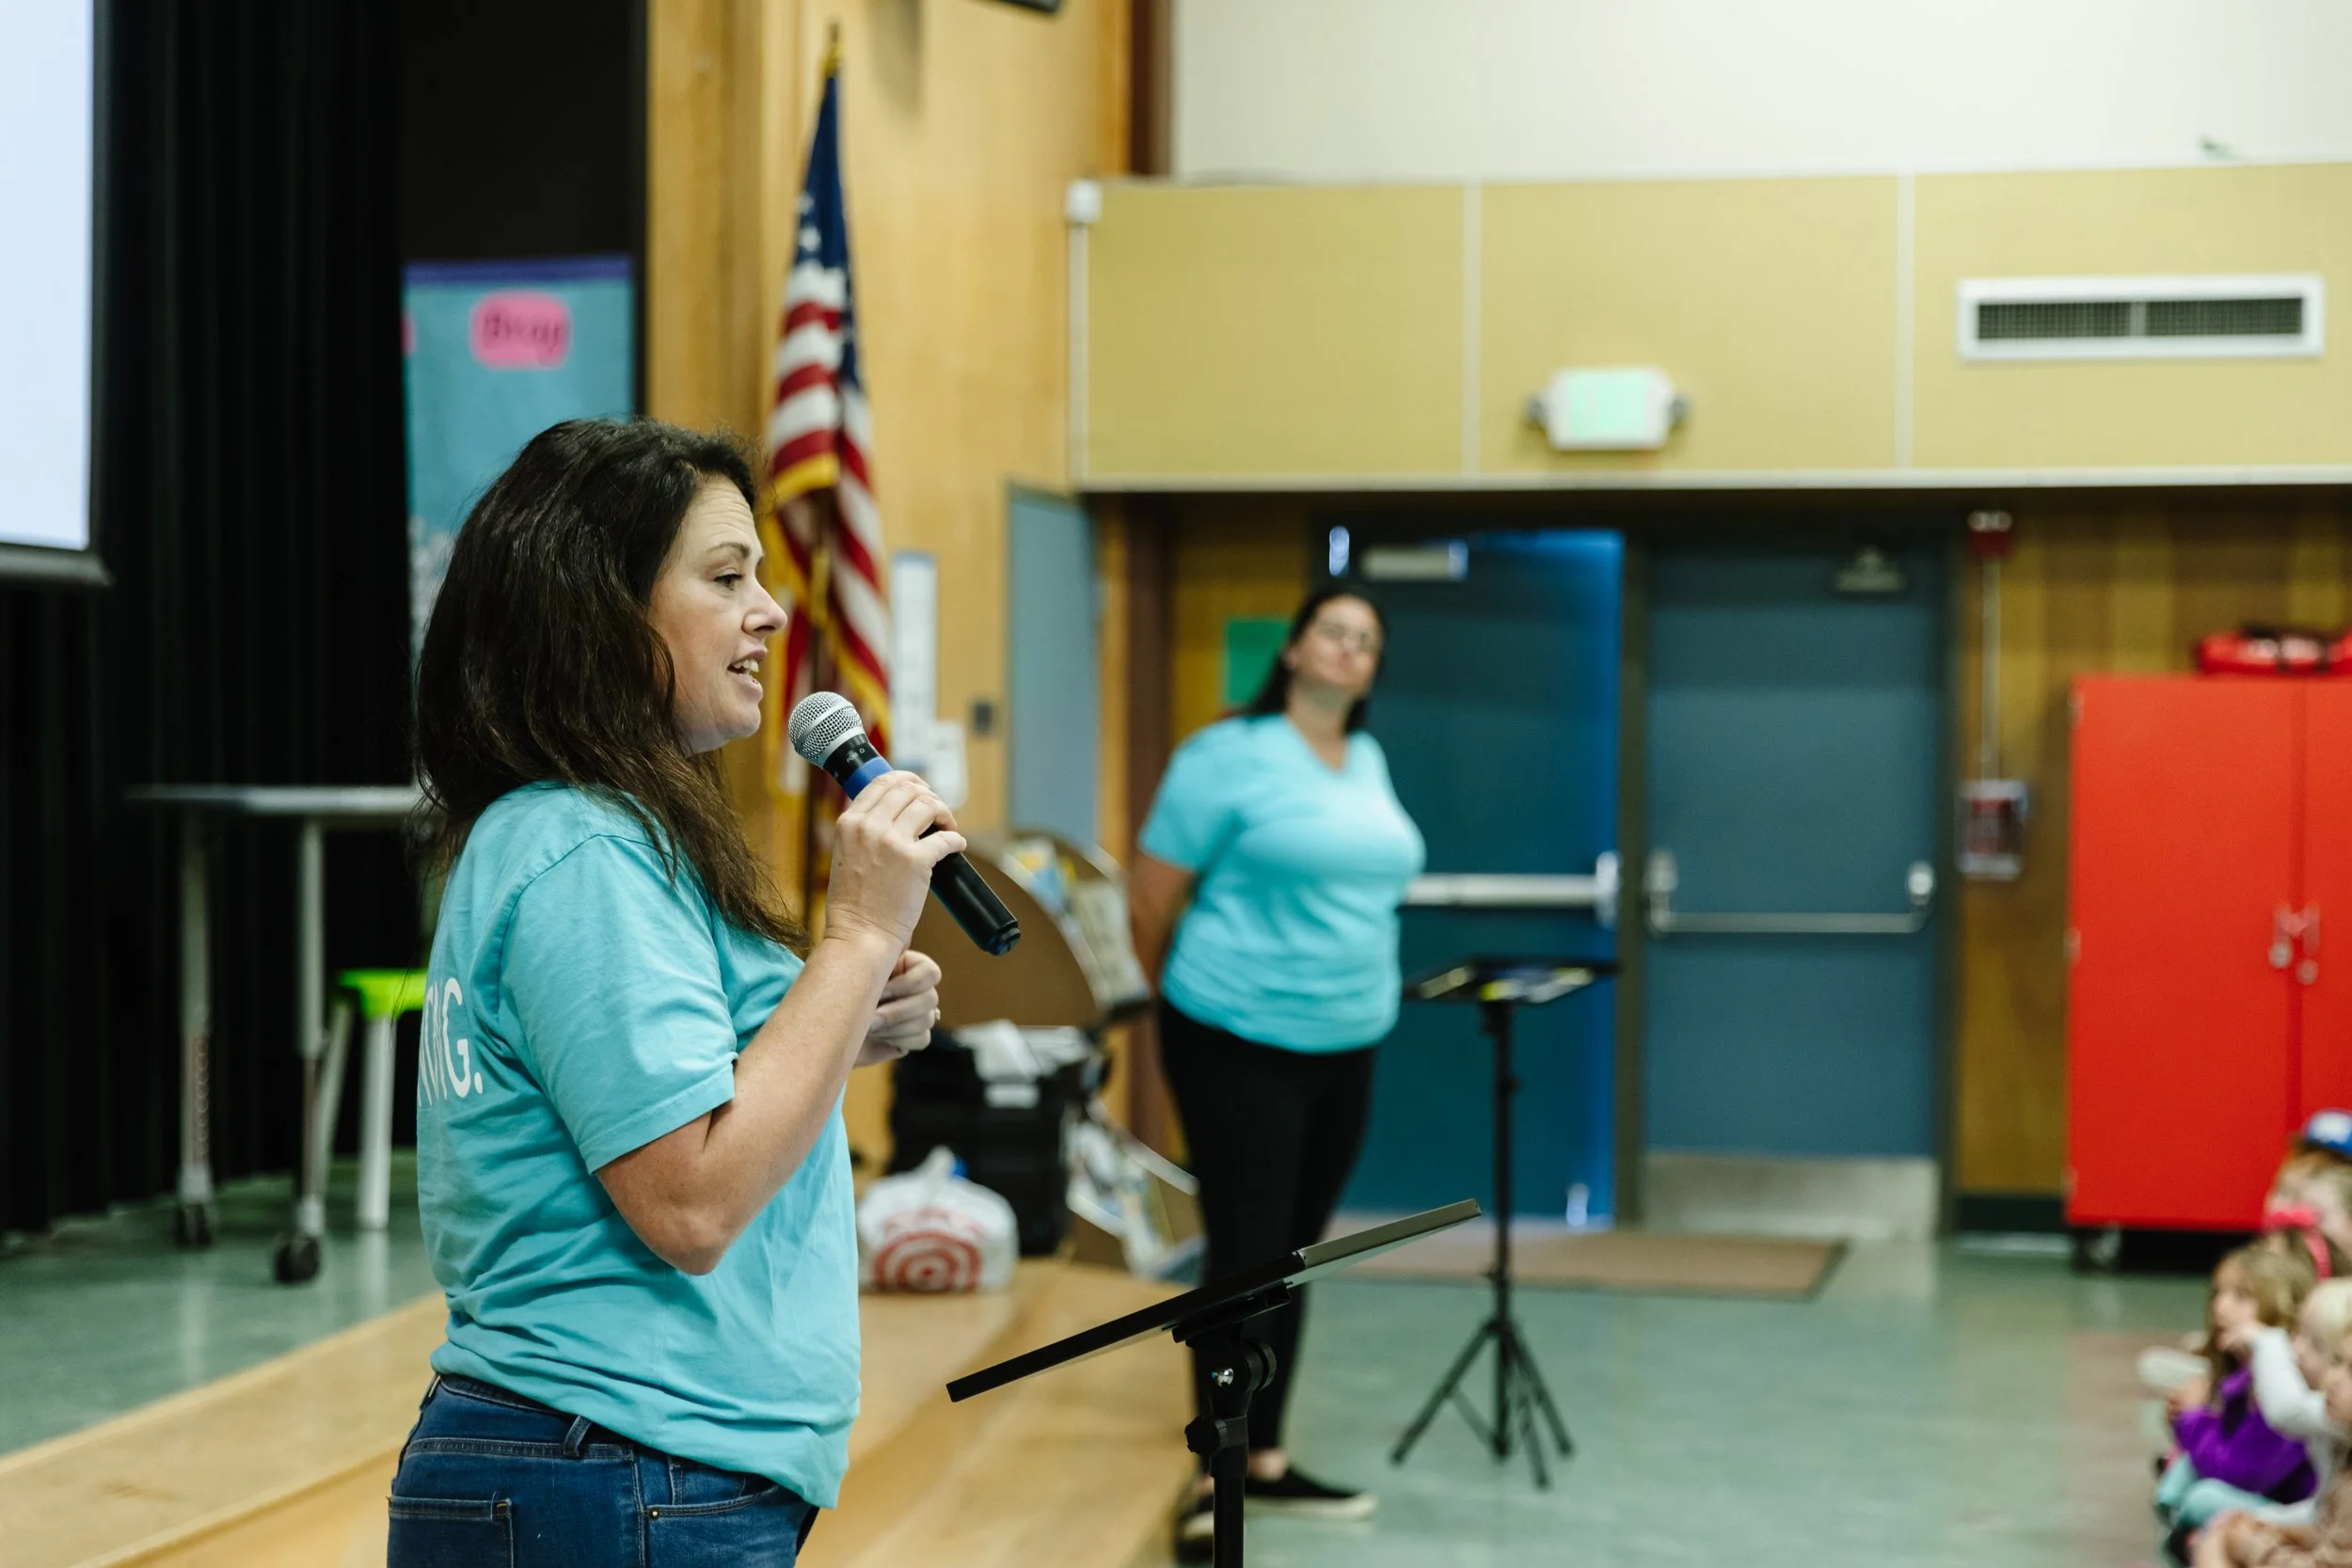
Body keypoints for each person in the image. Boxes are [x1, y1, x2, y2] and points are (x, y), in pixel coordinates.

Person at [389, 419, 960, 1566]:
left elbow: (636, 1103)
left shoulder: (551, 832)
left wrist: (826, 1021)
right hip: (617, 1465)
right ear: (601, 606)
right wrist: (851, 935)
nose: (771, 611)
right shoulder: (584, 849)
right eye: (725, 576)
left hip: (606, 1463)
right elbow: (691, 1202)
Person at [1128, 585, 1426, 1560]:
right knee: (1246, 1256)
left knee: (1297, 1254)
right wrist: (1180, 1003)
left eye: (1367, 641)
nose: (1349, 650)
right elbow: (1150, 899)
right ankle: (1213, 1475)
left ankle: (1266, 1456)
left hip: (1347, 1040)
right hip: (1235, 1033)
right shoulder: (1225, 756)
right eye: (1333, 631)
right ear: (1294, 648)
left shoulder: (1369, 759)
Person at [2156, 1245, 2320, 1560]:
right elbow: (2229, 1448)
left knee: (2203, 1496)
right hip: (2261, 1494)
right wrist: (2193, 1417)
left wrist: (2192, 1419)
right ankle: (2187, 1528)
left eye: (2240, 1297)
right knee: (2186, 1473)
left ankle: (2195, 1533)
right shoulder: (2247, 1375)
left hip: (2297, 1513)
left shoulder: (2285, 1384)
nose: (2221, 1307)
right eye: (2218, 1293)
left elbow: (2242, 1472)